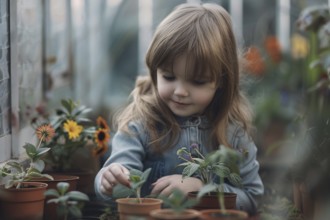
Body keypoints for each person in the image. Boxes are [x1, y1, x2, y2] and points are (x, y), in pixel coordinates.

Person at [95, 2, 264, 214]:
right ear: (155, 70)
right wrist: (109, 179)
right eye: (169, 77)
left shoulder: (233, 133)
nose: (180, 91)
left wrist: (202, 190)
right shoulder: (140, 125)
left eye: (198, 81)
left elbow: (252, 196)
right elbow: (116, 187)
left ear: (221, 80)